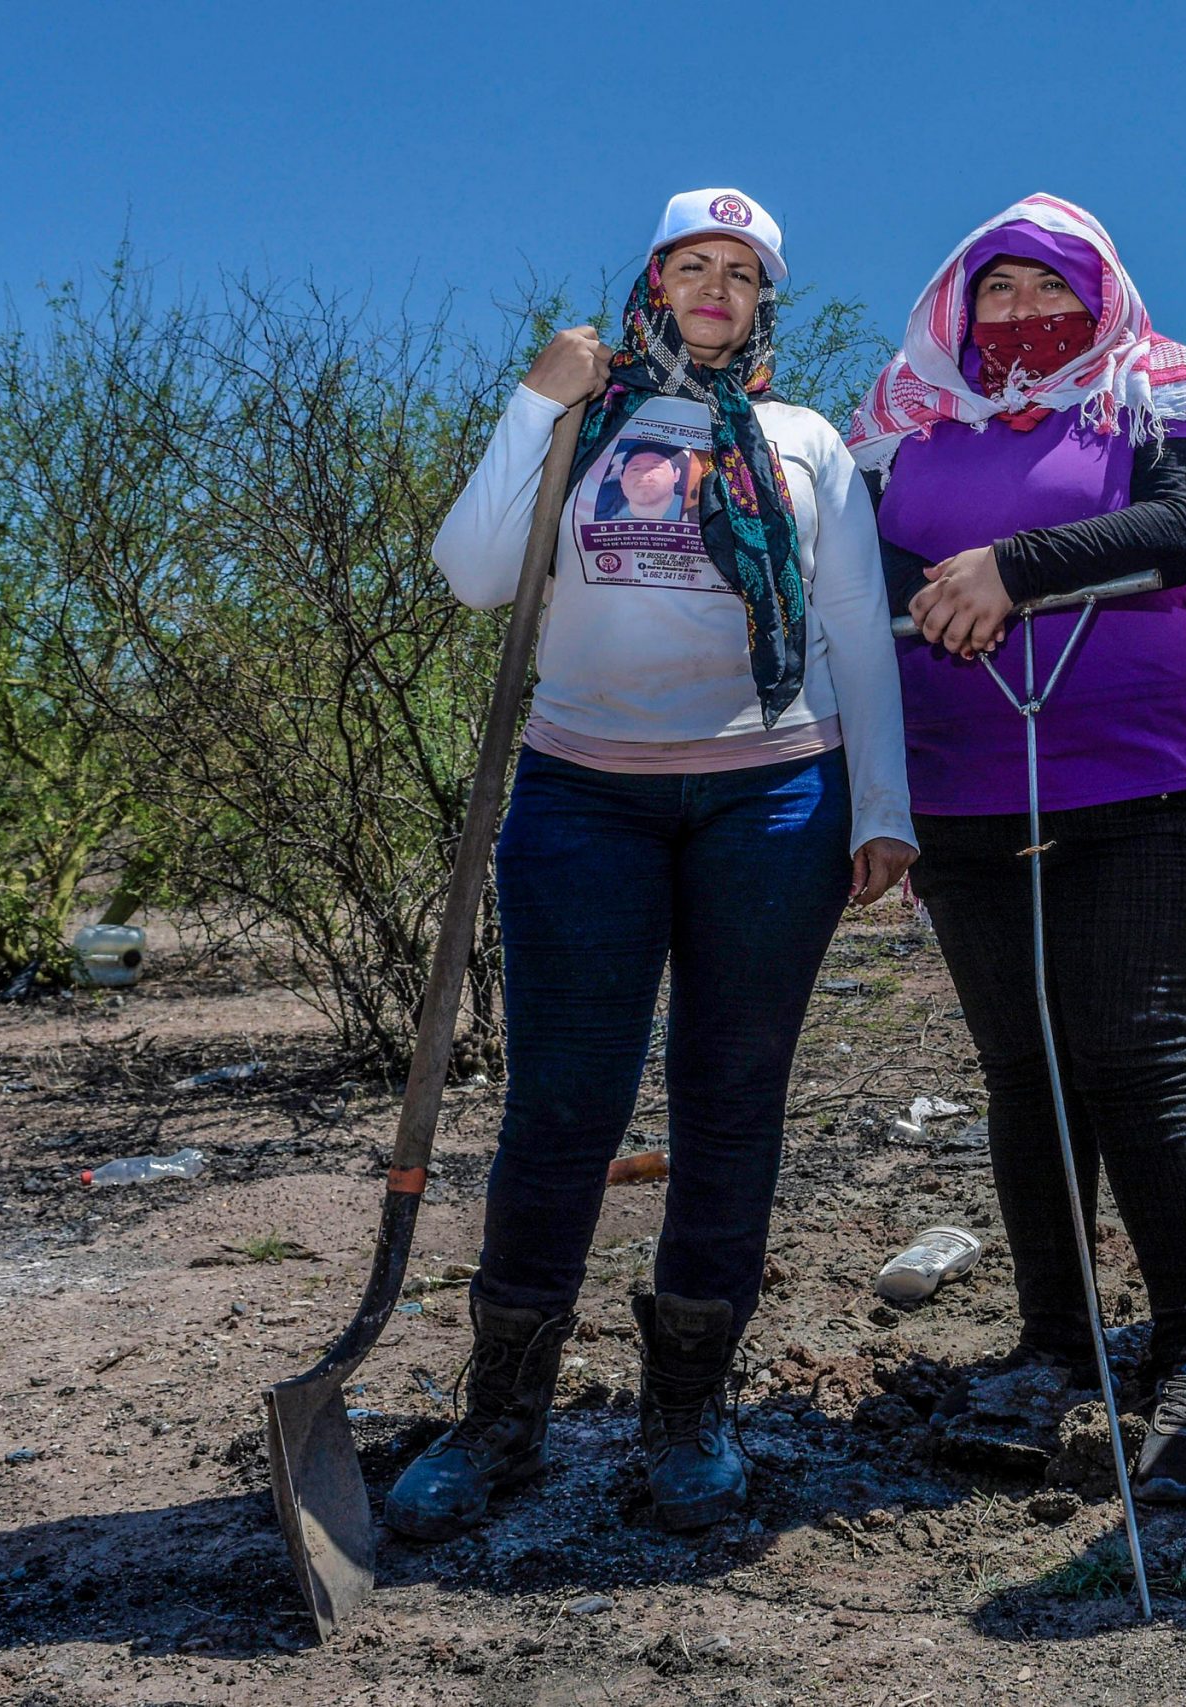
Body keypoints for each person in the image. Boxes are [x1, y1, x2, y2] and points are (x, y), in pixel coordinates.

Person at [397, 188, 915, 1539]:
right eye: (692, 263)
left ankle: (689, 1411)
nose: (715, 287)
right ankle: (502, 1417)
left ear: (765, 302)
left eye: (741, 273)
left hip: (774, 798)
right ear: (651, 280)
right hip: (583, 799)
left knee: (730, 1100)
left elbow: (859, 627)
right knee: (563, 1105)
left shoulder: (806, 442)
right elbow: (469, 575)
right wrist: (532, 398)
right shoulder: (584, 419)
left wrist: (884, 808)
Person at [848, 193, 1186, 1505]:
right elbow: (855, 568)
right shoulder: (907, 411)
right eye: (993, 292)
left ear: (1101, 293)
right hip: (964, 790)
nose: (1017, 314)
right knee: (1026, 1068)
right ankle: (1055, 1346)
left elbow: (1185, 526)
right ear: (959, 308)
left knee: (1132, 1049)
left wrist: (1013, 563)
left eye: (1043, 287)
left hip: (1135, 779)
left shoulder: (1156, 387)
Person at [594, 442, 692, 521]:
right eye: (635, 469)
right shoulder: (603, 519)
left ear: (676, 474)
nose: (645, 473)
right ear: (621, 479)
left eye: (655, 467)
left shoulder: (697, 512)